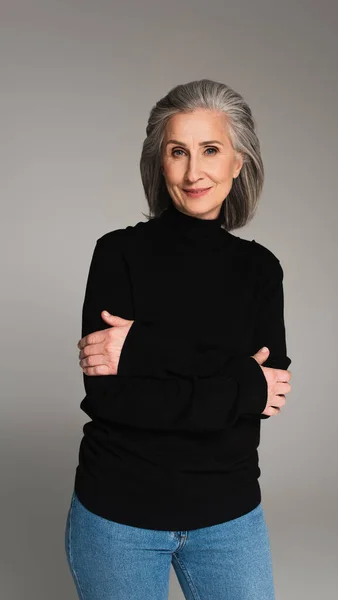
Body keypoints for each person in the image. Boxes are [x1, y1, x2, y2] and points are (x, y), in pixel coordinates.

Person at [64, 78, 292, 600]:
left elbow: (267, 397)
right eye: (177, 152)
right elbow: (112, 396)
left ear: (238, 162)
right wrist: (237, 379)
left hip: (229, 517)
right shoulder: (117, 254)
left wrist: (143, 349)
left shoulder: (260, 270)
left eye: (211, 150)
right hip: (117, 515)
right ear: (158, 163)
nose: (194, 171)